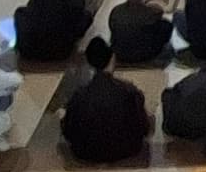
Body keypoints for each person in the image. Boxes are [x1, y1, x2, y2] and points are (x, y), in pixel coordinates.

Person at [58, 33, 151, 165]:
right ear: (112, 58)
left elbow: (68, 131)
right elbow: (144, 127)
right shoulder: (129, 91)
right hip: (127, 149)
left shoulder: (79, 95)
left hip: (85, 152)